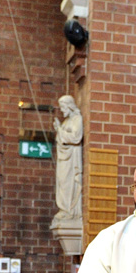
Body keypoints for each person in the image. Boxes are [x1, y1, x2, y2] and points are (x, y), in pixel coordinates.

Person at [52, 95, 84, 225]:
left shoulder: (77, 119)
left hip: (72, 159)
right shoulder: (66, 122)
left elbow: (76, 137)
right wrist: (59, 128)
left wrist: (60, 130)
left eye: (63, 107)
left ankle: (69, 210)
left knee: (68, 183)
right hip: (63, 158)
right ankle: (64, 210)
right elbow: (61, 138)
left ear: (69, 106)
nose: (61, 110)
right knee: (61, 182)